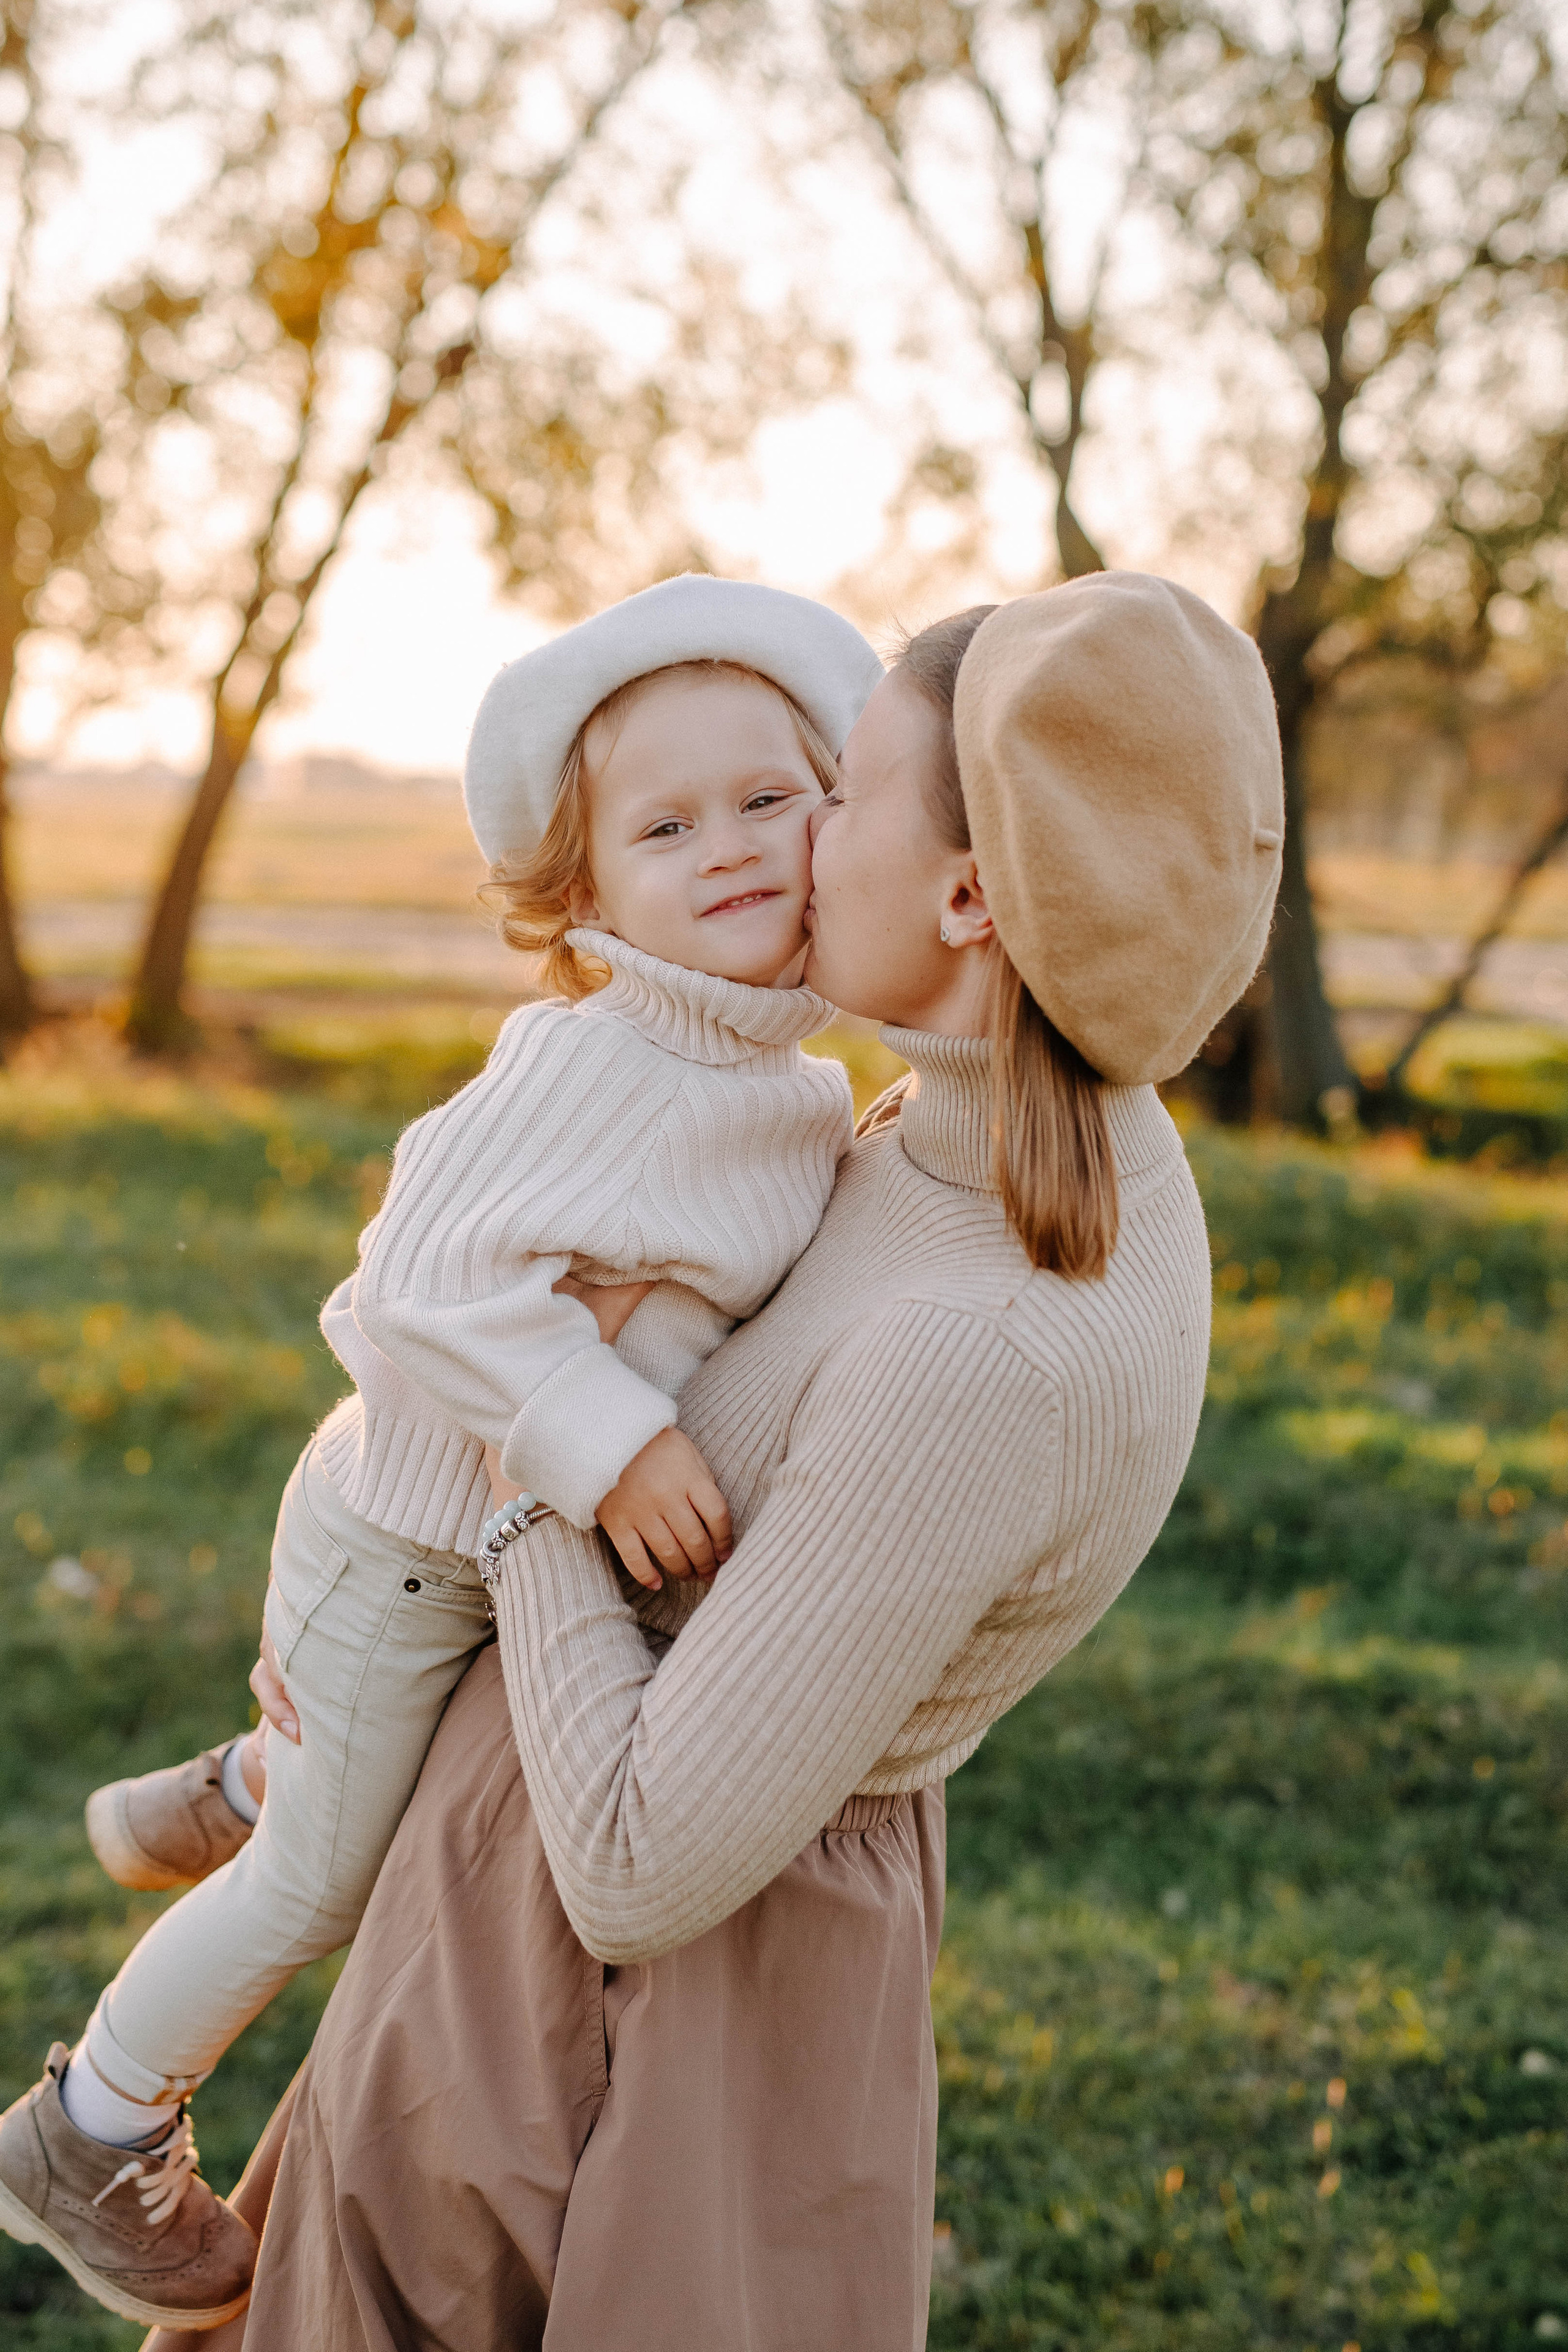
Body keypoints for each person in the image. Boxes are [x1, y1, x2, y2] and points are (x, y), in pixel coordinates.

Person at [154, 570, 1284, 2352]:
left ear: (975, 899)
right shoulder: (976, 1118)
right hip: (527, 1886)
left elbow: (636, 1862)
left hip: (619, 2022)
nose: (800, 835)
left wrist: (527, 1464)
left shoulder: (987, 1343)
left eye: (841, 789)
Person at [0, 575, 887, 2332]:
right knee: (320, 1883)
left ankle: (252, 1772)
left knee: (349, 1781)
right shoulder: (603, 1053)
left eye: (769, 801)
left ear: (841, 818)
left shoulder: (784, 1084)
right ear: (584, 893)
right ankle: (86, 2131)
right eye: (663, 824)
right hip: (403, 1534)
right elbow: (410, 1280)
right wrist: (609, 1440)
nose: (725, 847)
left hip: (464, 1551)